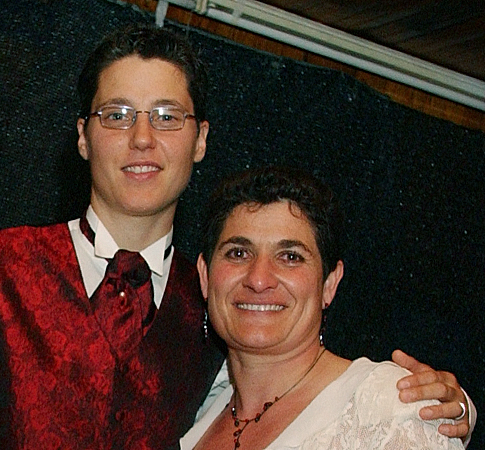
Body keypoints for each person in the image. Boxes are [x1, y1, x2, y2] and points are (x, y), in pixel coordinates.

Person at [0, 24, 474, 450]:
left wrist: (442, 406)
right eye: (117, 115)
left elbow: (290, 408)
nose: (141, 139)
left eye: (166, 116)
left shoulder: (224, 307)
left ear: (201, 139)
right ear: (82, 137)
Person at [180, 166, 463, 449]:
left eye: (290, 257)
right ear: (205, 277)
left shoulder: (387, 407)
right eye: (238, 253)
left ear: (329, 283)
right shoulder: (198, 411)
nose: (258, 279)